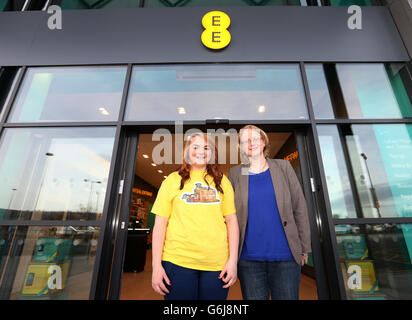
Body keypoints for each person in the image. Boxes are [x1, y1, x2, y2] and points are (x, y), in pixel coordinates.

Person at [151, 132, 239, 300]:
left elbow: (232, 221)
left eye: (206, 147)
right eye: (195, 147)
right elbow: (160, 225)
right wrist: (156, 266)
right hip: (177, 261)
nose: (201, 151)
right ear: (186, 152)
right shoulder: (171, 180)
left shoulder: (223, 181)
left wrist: (232, 261)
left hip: (217, 264)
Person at [228, 125, 311, 300]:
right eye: (245, 141)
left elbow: (299, 207)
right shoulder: (236, 173)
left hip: (285, 257)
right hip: (248, 260)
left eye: (255, 138)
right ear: (241, 147)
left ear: (264, 141)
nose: (251, 143)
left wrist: (304, 247)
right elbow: (230, 216)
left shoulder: (283, 166)